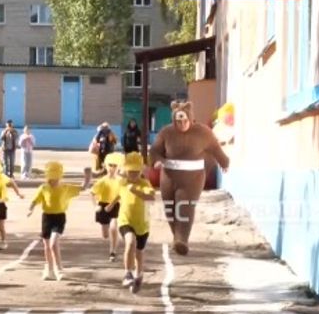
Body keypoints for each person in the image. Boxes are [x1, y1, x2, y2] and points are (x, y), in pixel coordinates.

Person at [149, 100, 230, 256]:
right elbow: (155, 150)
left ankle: (182, 239)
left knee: (184, 204)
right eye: (178, 121)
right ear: (174, 120)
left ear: (190, 118)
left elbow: (215, 148)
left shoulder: (203, 132)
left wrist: (224, 162)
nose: (182, 124)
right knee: (170, 208)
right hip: (168, 176)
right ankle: (177, 237)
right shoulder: (166, 132)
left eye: (185, 120)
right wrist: (157, 160)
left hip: (193, 177)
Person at [27, 161, 91, 281]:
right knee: (47, 245)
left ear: (60, 176)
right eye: (51, 178)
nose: (53, 180)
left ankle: (59, 269)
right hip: (47, 218)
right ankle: (49, 269)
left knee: (53, 243)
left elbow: (83, 188)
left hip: (59, 218)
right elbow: (35, 201)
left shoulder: (65, 188)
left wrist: (87, 177)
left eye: (56, 177)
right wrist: (30, 210)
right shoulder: (43, 188)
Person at [105, 152, 156, 293]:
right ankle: (128, 273)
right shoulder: (123, 183)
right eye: (130, 171)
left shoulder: (144, 183)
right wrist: (111, 204)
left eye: (136, 172)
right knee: (130, 241)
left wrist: (136, 192)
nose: (133, 174)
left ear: (140, 171)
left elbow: (151, 198)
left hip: (142, 223)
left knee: (139, 253)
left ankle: (139, 275)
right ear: (126, 171)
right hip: (125, 220)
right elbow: (119, 193)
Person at [91, 152, 125, 262]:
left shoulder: (121, 181)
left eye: (115, 165)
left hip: (116, 205)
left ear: (118, 167)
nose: (112, 168)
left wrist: (113, 204)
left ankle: (113, 252)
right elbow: (92, 193)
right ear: (105, 166)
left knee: (114, 227)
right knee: (105, 234)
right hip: (103, 205)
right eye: (110, 165)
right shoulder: (102, 181)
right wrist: (96, 205)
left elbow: (122, 194)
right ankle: (110, 239)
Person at [0, 164, 25, 250]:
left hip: (0, 203)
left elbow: (12, 182)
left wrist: (18, 193)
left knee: (0, 226)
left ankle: (4, 241)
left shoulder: (2, 177)